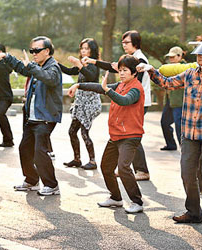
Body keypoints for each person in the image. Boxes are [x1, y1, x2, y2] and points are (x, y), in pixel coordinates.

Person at [138, 39, 202, 230]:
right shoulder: (190, 73)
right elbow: (167, 83)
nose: (201, 59)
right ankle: (194, 213)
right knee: (187, 173)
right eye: (199, 55)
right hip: (190, 130)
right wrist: (150, 69)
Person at [68, 55, 145, 213]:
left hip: (130, 136)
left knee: (123, 168)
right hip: (116, 135)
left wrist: (108, 90)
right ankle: (116, 198)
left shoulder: (136, 88)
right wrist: (78, 85)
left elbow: (124, 100)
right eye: (120, 70)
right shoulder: (121, 84)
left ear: (134, 73)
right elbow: (99, 87)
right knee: (106, 167)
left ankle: (137, 201)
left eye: (125, 71)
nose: (122, 73)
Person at [0, 36, 63, 196]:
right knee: (25, 149)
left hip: (45, 118)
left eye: (37, 50)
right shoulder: (37, 65)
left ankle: (52, 185)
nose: (34, 53)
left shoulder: (53, 67)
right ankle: (31, 180)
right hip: (32, 118)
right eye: (32, 51)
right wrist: (6, 56)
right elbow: (22, 67)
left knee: (40, 151)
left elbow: (49, 79)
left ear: (47, 51)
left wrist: (31, 66)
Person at [83, 30, 151, 181]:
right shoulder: (131, 59)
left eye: (126, 42)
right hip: (128, 97)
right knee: (126, 134)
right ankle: (124, 166)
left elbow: (132, 83)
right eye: (122, 42)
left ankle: (140, 169)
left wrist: (108, 88)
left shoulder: (140, 60)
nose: (124, 45)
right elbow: (113, 67)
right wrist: (94, 62)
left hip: (137, 100)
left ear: (135, 43)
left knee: (132, 135)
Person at [59, 38, 101, 170]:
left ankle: (92, 161)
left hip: (90, 103)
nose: (83, 51)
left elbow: (91, 78)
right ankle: (77, 159)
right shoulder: (82, 64)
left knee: (84, 132)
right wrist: (55, 63)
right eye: (82, 48)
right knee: (72, 131)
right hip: (80, 103)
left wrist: (79, 64)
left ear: (92, 51)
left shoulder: (94, 64)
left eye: (87, 48)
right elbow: (70, 71)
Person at [160, 46, 185, 150]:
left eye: (173, 57)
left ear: (180, 56)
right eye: (169, 57)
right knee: (164, 122)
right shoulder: (169, 68)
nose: (171, 59)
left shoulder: (185, 67)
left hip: (180, 102)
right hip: (170, 100)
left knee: (179, 127)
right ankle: (171, 144)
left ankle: (184, 149)